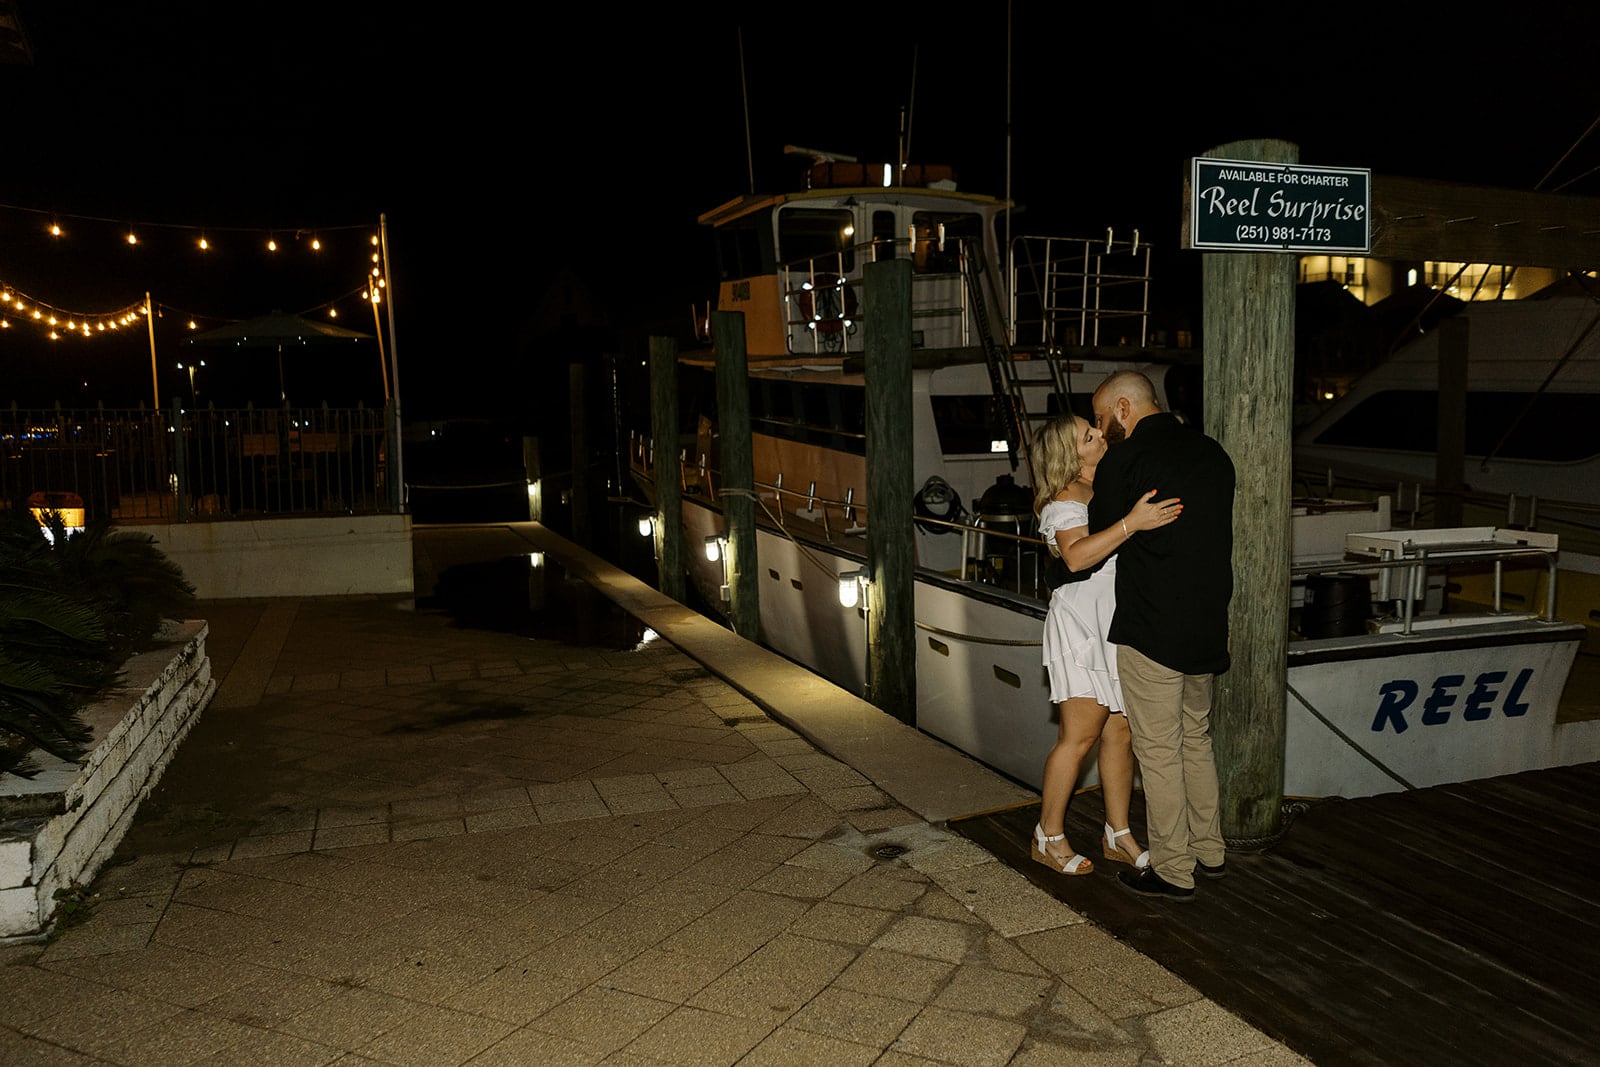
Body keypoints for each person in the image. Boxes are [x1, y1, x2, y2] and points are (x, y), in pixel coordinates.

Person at [1087, 370, 1236, 903]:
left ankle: (1174, 868)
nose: (1102, 431)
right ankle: (1210, 851)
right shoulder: (1213, 453)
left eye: (1103, 419)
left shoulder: (1124, 460)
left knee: (1158, 749)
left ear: (1124, 408)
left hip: (1152, 624)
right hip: (1205, 621)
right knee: (1195, 737)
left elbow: (1095, 540)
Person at [1028, 414, 1183, 876]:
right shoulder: (1063, 499)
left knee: (1121, 731)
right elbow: (1075, 557)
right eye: (1088, 436)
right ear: (1070, 455)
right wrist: (1133, 522)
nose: (1100, 436)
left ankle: (1118, 833)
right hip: (1082, 622)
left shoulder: (1102, 488)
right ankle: (1048, 834)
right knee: (1079, 737)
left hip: (1116, 617)